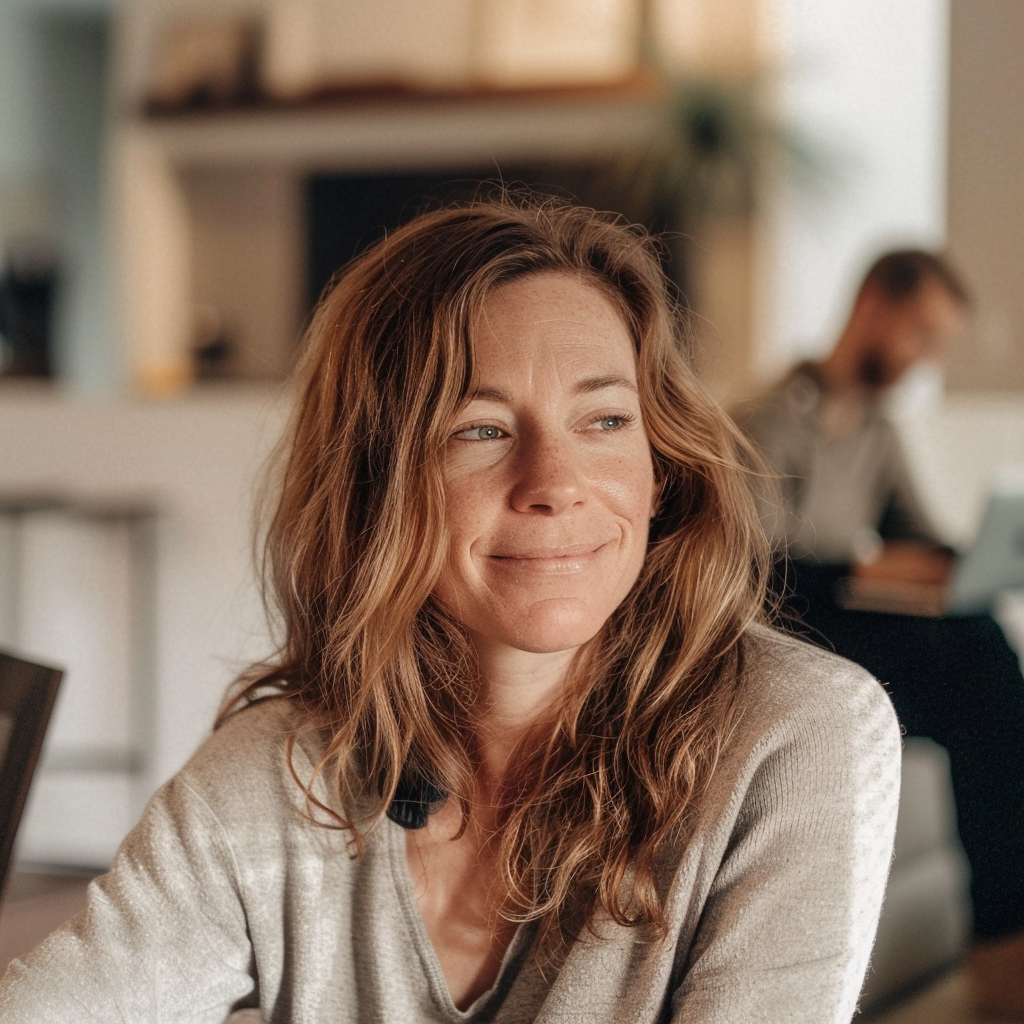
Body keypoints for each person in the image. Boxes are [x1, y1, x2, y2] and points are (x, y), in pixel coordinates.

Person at [0, 197, 900, 1023]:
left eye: (604, 421)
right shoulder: (278, 777)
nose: (554, 484)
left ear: (662, 464)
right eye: (480, 431)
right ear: (374, 487)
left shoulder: (792, 734)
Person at [737, 248, 1024, 1017]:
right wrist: (875, 572)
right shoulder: (768, 420)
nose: (925, 358)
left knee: (980, 647)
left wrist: (978, 559)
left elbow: (918, 534)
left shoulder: (876, 428)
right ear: (873, 303)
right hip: (793, 627)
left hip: (862, 626)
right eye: (921, 333)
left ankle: (1006, 932)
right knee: (981, 663)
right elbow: (764, 573)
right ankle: (1005, 935)